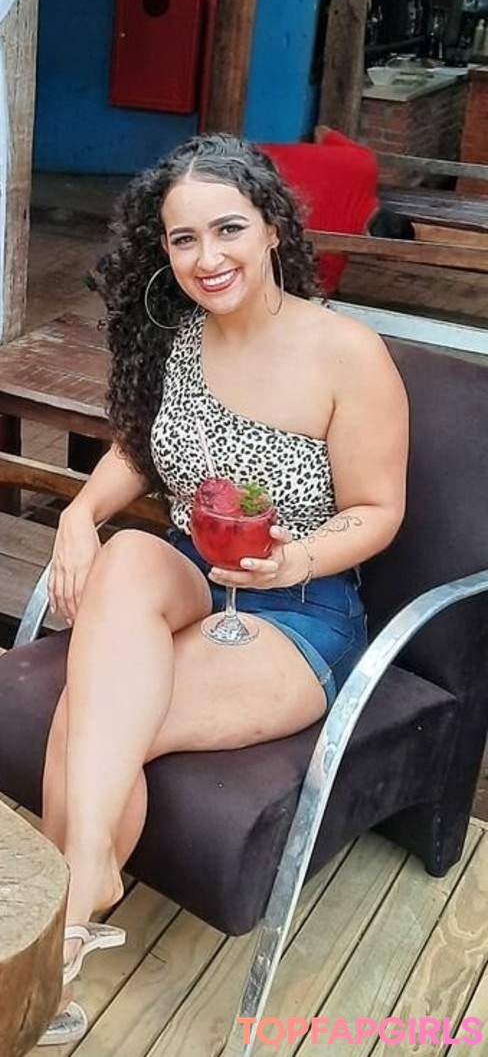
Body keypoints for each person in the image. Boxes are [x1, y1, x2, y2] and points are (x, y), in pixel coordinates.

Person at [37, 133, 408, 1044]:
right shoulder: (179, 334)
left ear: (275, 227)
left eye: (228, 229)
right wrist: (80, 514)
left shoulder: (348, 353)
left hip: (298, 604)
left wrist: (295, 559)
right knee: (127, 553)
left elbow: (378, 509)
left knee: (91, 717)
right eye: (184, 238)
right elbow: (139, 449)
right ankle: (81, 886)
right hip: (189, 568)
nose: (207, 258)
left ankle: (55, 939)